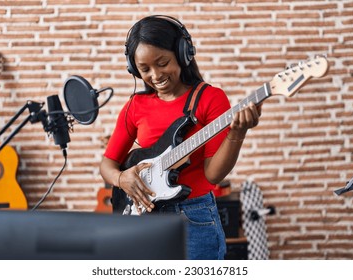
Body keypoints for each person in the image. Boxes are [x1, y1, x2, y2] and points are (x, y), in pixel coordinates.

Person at [100, 15, 262, 260]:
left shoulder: (211, 98)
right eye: (144, 69)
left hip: (194, 218)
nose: (155, 75)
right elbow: (107, 164)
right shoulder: (136, 105)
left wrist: (237, 133)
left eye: (163, 62)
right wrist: (121, 178)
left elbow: (214, 175)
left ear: (183, 53)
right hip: (145, 221)